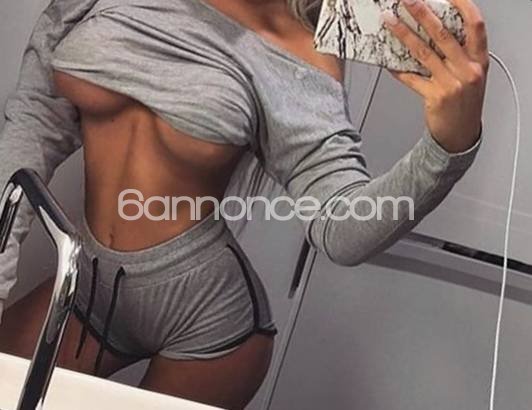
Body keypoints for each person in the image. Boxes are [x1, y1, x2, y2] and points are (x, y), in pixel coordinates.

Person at [0, 0, 488, 408]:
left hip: (208, 323)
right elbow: (34, 125)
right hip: (85, 283)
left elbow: (342, 228)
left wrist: (447, 146)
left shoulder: (301, 54)